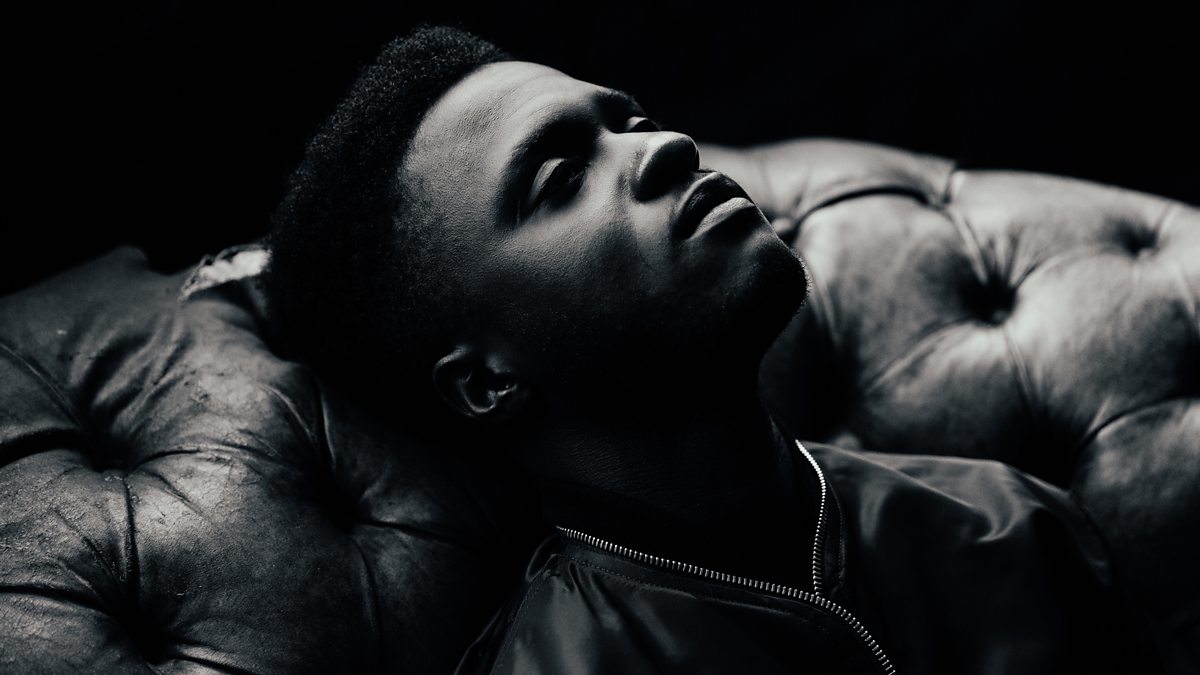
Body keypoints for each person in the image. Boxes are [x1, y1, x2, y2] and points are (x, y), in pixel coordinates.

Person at [264, 26, 1154, 674]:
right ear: (485, 381)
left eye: (630, 121)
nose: (664, 147)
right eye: (562, 177)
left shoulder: (1014, 524)